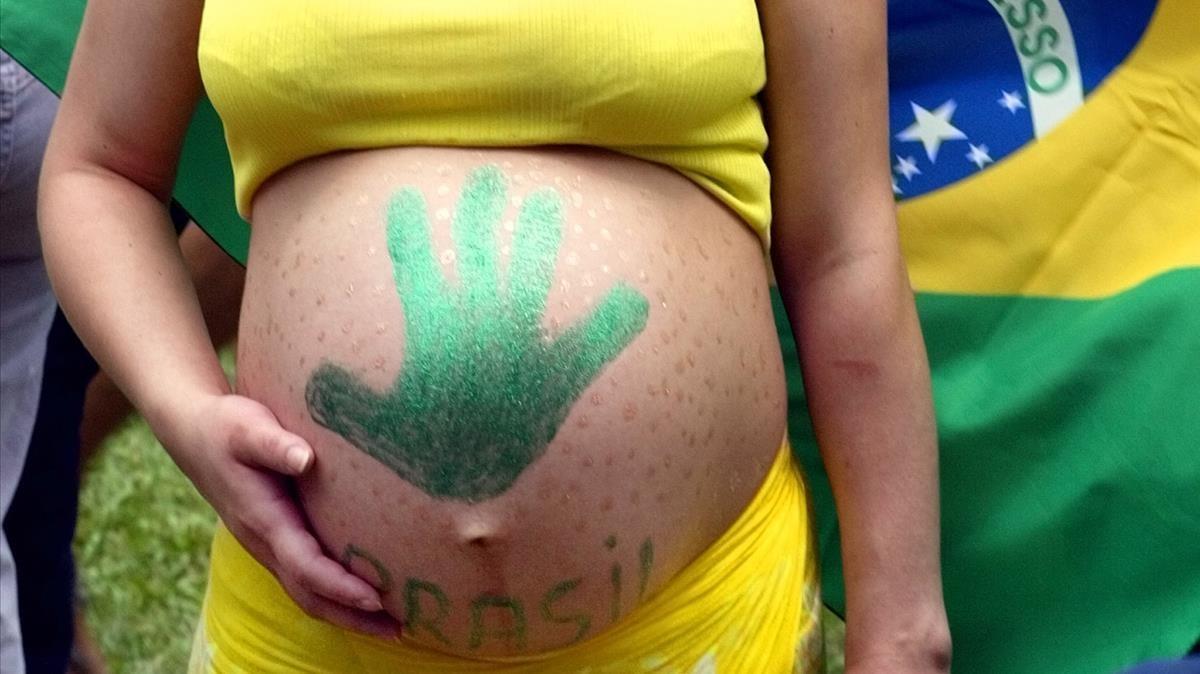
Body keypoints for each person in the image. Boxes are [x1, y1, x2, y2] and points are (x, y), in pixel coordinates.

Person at [37, 1, 951, 671]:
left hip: (702, 620)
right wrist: (184, 406)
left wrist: (902, 629)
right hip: (309, 632)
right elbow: (100, 167)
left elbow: (842, 252)